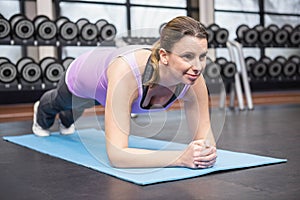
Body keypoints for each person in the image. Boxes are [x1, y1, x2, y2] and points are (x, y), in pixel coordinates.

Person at [32, 16, 217, 169]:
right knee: (63, 104)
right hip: (83, 74)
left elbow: (205, 135)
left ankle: (67, 117)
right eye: (187, 56)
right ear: (164, 56)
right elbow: (117, 155)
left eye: (202, 57)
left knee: (72, 116)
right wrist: (181, 158)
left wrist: (205, 151)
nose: (198, 67)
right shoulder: (127, 74)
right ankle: (41, 109)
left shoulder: (193, 79)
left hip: (108, 84)